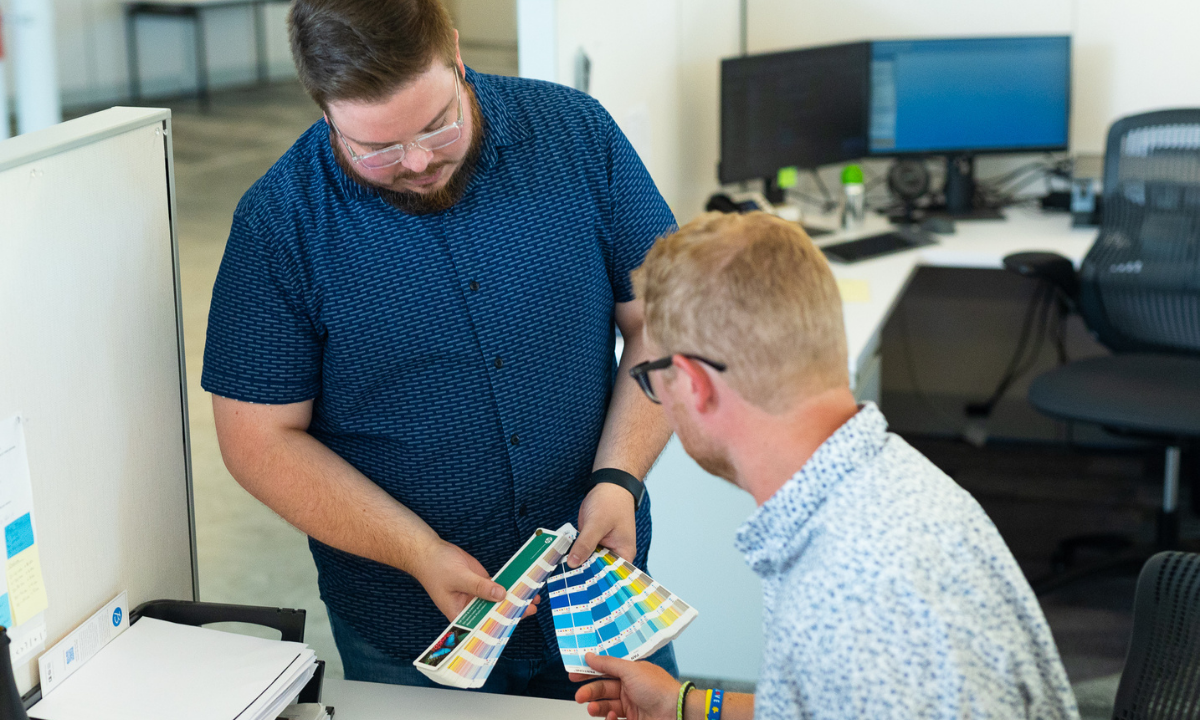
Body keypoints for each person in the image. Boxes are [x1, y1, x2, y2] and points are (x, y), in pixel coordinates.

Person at [201, 0, 678, 697]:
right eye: (377, 147)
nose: (418, 161)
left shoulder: (578, 136)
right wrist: (416, 553)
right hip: (408, 630)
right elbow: (259, 441)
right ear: (323, 108)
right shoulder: (279, 225)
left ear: (454, 54)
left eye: (437, 124)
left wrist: (621, 476)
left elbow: (664, 320)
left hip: (601, 599)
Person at [572, 212, 1080, 719]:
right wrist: (684, 706)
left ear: (695, 383)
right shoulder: (883, 486)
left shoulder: (850, 592)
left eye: (653, 375)